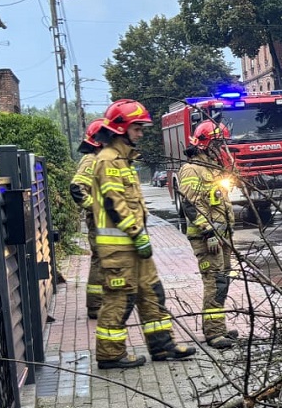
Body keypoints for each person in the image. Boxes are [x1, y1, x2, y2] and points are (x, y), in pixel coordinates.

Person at [91, 98, 196, 369]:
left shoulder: (124, 161)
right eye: (137, 128)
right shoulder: (108, 161)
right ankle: (110, 354)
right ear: (121, 129)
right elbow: (116, 202)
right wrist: (137, 233)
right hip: (120, 247)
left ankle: (163, 347)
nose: (140, 133)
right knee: (119, 299)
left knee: (152, 293)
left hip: (134, 245)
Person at [176, 120, 238, 349]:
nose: (221, 148)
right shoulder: (191, 170)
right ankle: (213, 333)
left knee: (222, 282)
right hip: (207, 238)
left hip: (222, 237)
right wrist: (208, 231)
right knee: (213, 282)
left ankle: (219, 327)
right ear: (205, 144)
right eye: (218, 143)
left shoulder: (212, 169)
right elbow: (190, 205)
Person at [69, 118, 106, 319]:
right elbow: (76, 188)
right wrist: (97, 208)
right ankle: (95, 306)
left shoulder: (101, 159)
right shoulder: (91, 160)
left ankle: (101, 303)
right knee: (100, 261)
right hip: (99, 222)